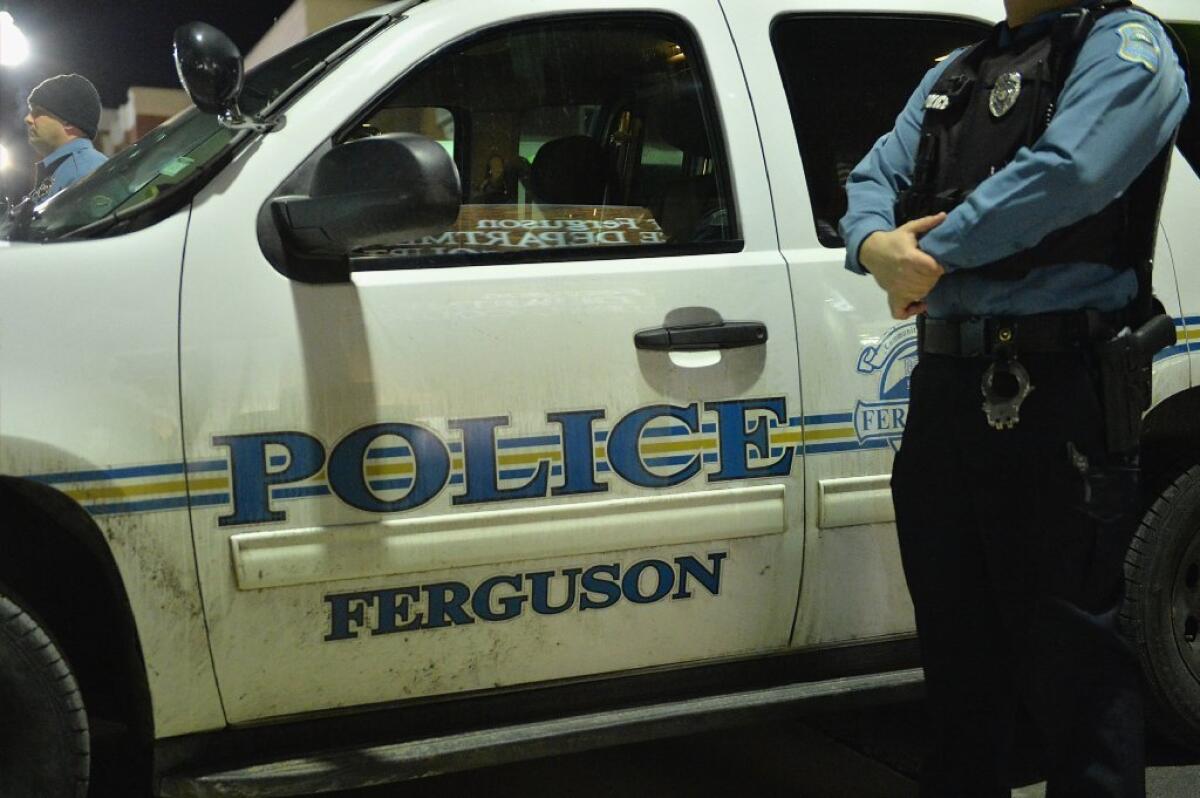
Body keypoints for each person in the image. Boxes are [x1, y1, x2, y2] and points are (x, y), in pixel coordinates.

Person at [840, 0, 1189, 795]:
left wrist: (926, 256)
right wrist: (871, 245)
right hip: (946, 390)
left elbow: (1068, 174)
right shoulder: (954, 73)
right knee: (959, 665)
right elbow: (873, 175)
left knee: (1073, 665)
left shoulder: (1125, 47)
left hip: (1058, 387)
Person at [22, 74, 107, 205]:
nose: (27, 119)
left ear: (68, 122)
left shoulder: (84, 172)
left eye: (37, 112)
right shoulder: (68, 168)